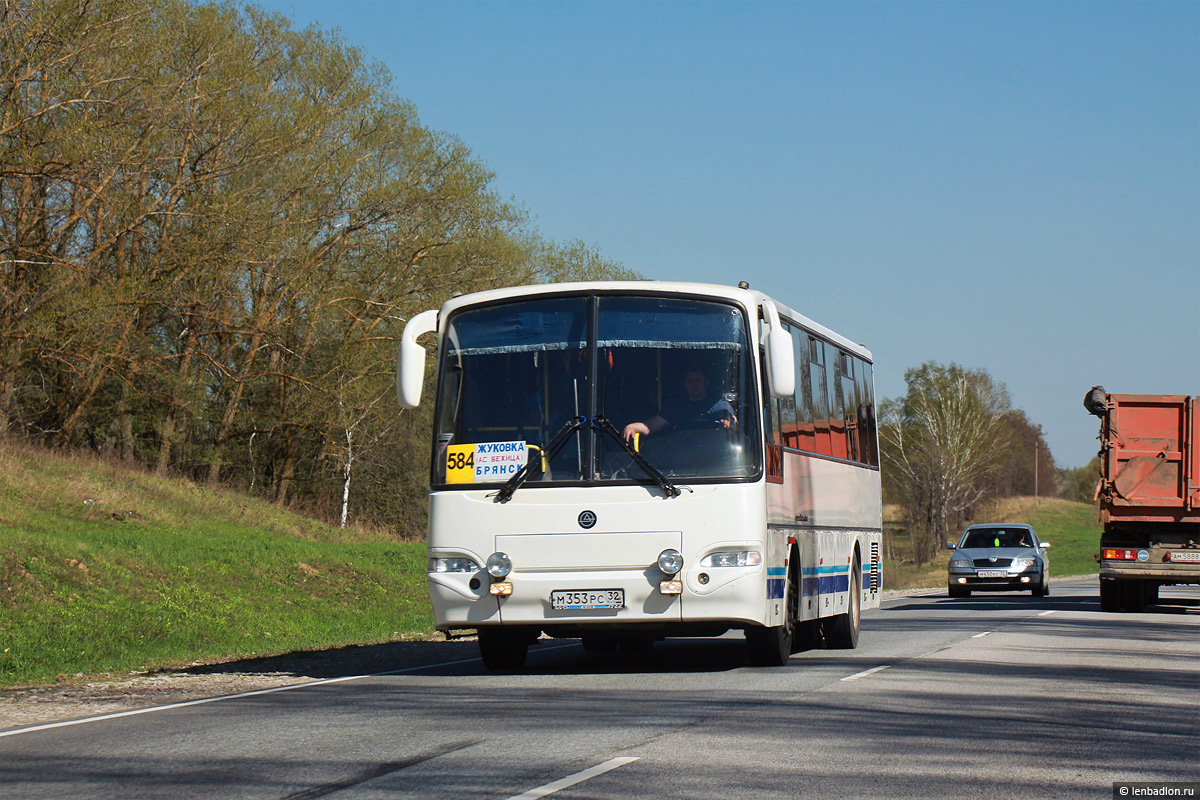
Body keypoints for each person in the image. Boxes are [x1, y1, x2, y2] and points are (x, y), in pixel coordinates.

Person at [623, 367, 735, 442]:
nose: (694, 384)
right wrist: (633, 427)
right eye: (690, 380)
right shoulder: (676, 406)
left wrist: (730, 423)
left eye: (698, 380)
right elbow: (651, 426)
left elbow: (734, 424)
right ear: (685, 383)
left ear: (706, 382)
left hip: (715, 459)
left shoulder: (721, 406)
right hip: (681, 459)